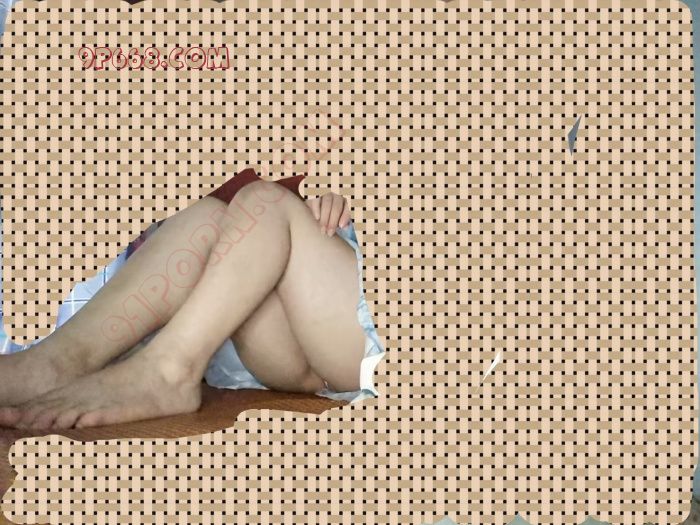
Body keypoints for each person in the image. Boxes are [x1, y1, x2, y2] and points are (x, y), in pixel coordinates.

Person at [0, 168, 370, 430]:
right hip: (304, 346)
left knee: (266, 201)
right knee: (206, 218)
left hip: (372, 340)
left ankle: (169, 370)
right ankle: (54, 363)